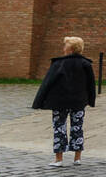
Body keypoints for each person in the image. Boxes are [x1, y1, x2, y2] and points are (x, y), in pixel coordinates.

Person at [31, 35, 96, 166]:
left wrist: (38, 101)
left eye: (65, 45)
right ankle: (77, 158)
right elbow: (91, 84)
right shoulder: (86, 64)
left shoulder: (58, 64)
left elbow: (47, 83)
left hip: (59, 102)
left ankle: (59, 159)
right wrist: (91, 100)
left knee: (59, 128)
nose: (63, 48)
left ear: (70, 49)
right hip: (78, 102)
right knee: (77, 127)